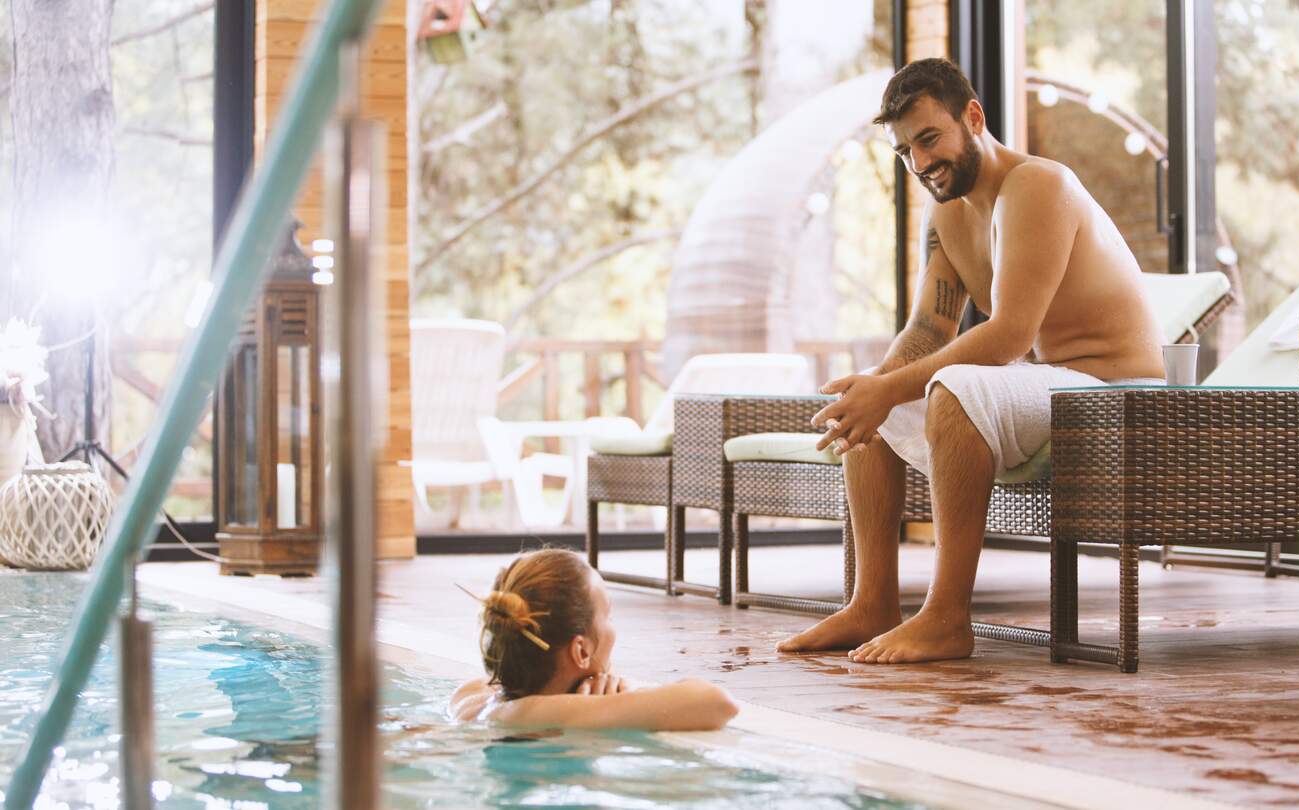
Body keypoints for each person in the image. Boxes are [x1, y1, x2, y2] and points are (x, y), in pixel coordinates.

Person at [778, 58, 1165, 664]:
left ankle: (946, 618)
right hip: (1046, 382)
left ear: (974, 118)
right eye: (905, 151)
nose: (920, 163)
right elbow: (928, 328)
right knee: (873, 397)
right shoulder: (948, 216)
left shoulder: (1038, 185)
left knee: (953, 387)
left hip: (1111, 388)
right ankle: (872, 602)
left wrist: (890, 388)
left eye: (929, 139)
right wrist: (874, 392)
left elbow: (1009, 335)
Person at [449, 548, 739, 729]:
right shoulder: (551, 712)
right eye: (608, 616)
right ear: (581, 651)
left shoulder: (471, 696)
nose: (613, 627)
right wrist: (625, 691)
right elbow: (717, 703)